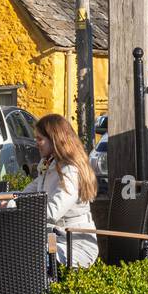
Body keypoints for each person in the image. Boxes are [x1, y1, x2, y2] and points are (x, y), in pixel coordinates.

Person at [28, 114, 99, 267]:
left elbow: (53, 211)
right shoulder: (49, 165)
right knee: (10, 251)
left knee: (24, 258)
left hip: (75, 244)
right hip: (54, 238)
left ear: (55, 140)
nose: (36, 143)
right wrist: (5, 201)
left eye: (39, 139)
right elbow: (27, 194)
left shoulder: (70, 170)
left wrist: (20, 212)